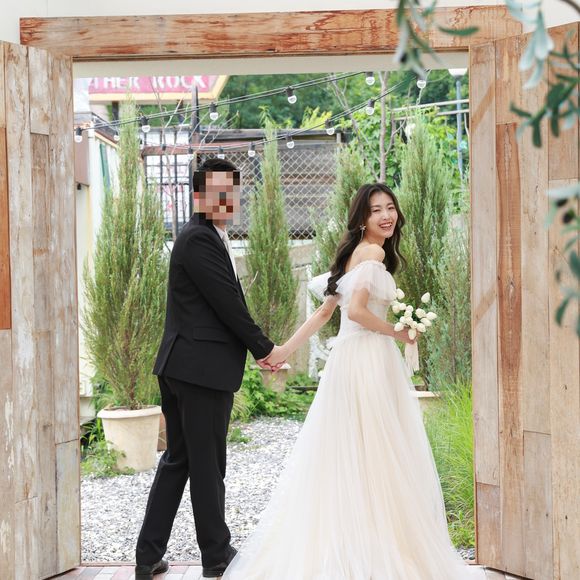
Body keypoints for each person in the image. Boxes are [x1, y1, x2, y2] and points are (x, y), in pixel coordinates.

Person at [222, 183, 486, 579]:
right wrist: (398, 332)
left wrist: (281, 351)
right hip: (368, 360)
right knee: (378, 452)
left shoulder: (352, 255)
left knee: (351, 452)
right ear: (362, 218)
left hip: (347, 362)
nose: (386, 215)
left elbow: (324, 314)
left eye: (390, 207)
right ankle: (376, 549)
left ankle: (355, 545)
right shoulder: (374, 253)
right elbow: (359, 312)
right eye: (376, 210)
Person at [134, 157, 285, 580]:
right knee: (206, 464)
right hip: (198, 369)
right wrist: (265, 349)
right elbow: (227, 303)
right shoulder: (198, 239)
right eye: (216, 191)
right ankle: (216, 555)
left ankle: (148, 556)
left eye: (230, 190)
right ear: (199, 195)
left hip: (187, 366)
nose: (225, 198)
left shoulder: (207, 236)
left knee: (179, 459)